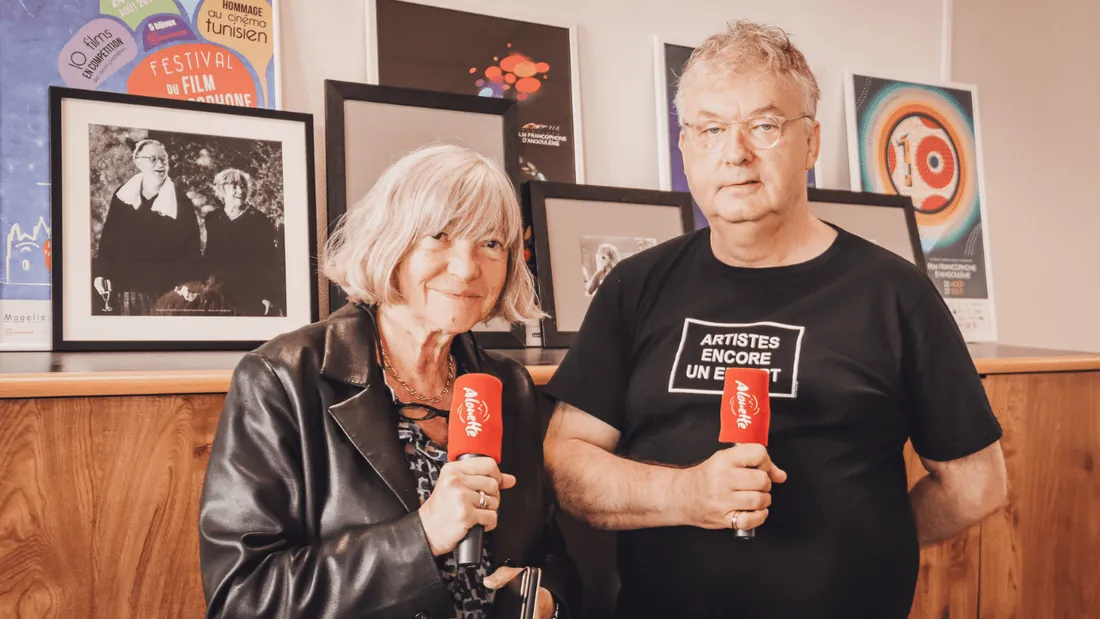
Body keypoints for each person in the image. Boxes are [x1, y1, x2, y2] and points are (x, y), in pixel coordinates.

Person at [542, 20, 1007, 619]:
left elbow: (977, 485)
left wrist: (864, 543)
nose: (734, 153)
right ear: (685, 148)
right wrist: (687, 495)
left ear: (810, 143)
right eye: (710, 129)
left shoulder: (895, 296)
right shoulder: (634, 286)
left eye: (763, 126)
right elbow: (567, 460)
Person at [199, 144, 581, 619]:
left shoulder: (507, 384)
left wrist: (544, 599)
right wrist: (420, 536)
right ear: (390, 241)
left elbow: (550, 551)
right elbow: (243, 599)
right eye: (439, 236)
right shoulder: (283, 378)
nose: (467, 268)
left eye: (490, 244)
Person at [94, 139, 202, 315]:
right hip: (126, 289)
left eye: (163, 159)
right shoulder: (123, 195)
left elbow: (191, 250)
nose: (160, 164)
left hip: (164, 291)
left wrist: (187, 283)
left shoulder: (181, 202)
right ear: (138, 162)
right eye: (153, 159)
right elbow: (109, 238)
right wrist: (102, 274)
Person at [202, 168, 286, 316]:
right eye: (234, 186)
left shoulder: (258, 219)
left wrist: (268, 296)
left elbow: (269, 260)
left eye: (243, 186)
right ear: (222, 190)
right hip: (219, 291)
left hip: (250, 292)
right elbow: (209, 254)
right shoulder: (213, 218)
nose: (240, 191)